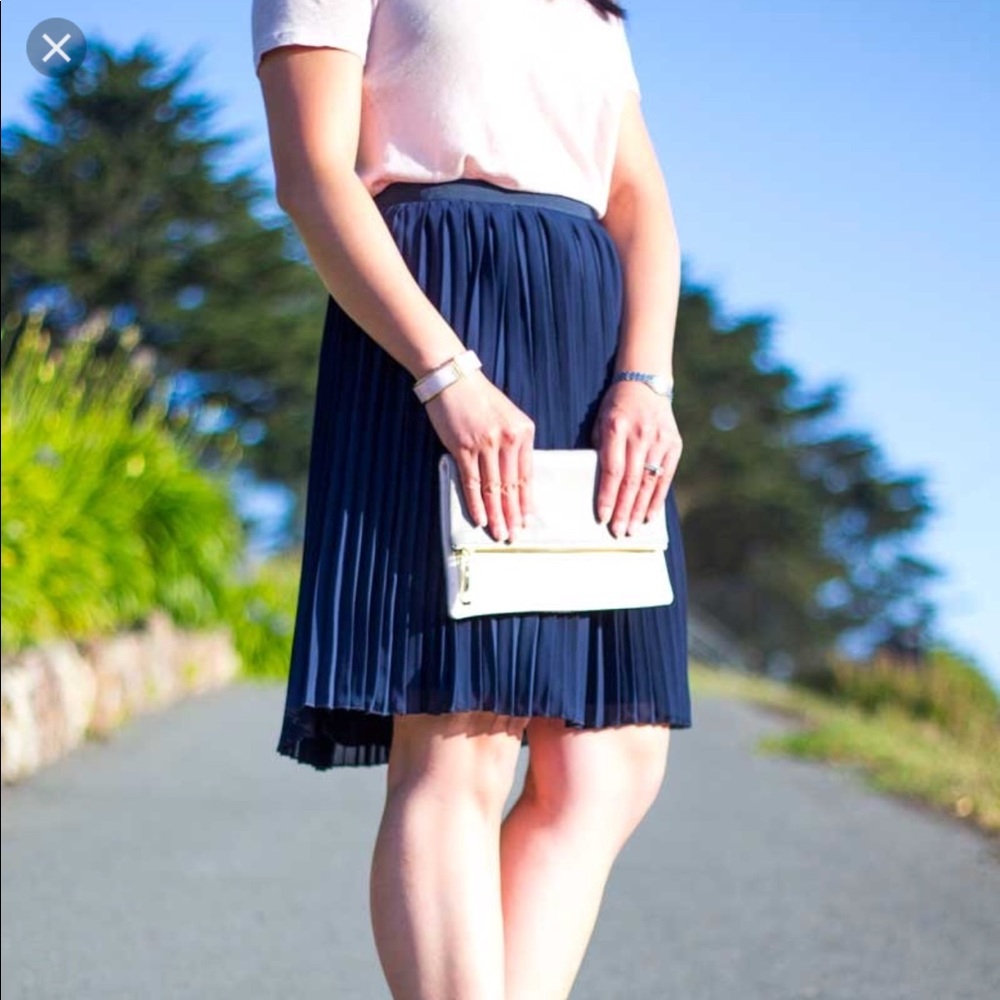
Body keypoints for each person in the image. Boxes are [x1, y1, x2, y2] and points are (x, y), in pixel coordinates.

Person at [251, 0, 691, 996]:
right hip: (438, 318)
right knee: (464, 741)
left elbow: (639, 201)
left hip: (592, 358)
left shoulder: (589, 9)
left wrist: (645, 380)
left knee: (611, 759)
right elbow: (313, 177)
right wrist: (443, 372)